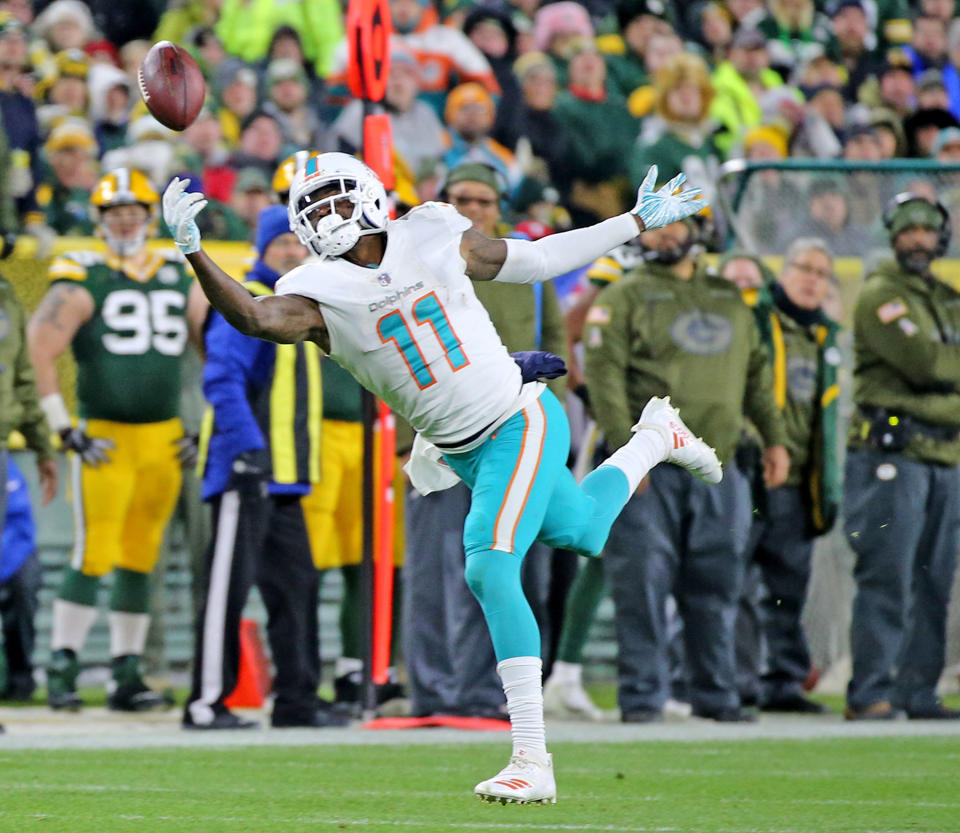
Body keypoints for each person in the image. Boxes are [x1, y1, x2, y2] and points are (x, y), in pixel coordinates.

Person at [162, 153, 718, 805]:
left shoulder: (430, 230)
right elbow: (256, 317)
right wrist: (195, 252)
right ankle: (656, 437)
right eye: (313, 207)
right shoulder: (315, 290)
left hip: (518, 417)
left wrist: (630, 221)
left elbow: (533, 262)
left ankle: (531, 755)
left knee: (488, 567)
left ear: (369, 195)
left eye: (338, 200)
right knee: (584, 530)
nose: (328, 216)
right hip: (461, 448)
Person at [583, 217, 789, 723]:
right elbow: (603, 376)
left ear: (698, 232)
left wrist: (776, 439)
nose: (661, 237)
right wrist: (622, 451)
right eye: (652, 228)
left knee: (718, 585)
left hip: (719, 464)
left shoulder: (729, 299)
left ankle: (716, 696)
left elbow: (757, 376)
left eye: (673, 227)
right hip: (650, 465)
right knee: (642, 584)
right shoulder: (622, 296)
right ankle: (642, 698)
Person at [28, 168, 206, 712]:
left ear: (149, 217)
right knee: (93, 550)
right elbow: (38, 351)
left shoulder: (181, 274)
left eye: (134, 210)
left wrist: (207, 424)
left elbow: (221, 350)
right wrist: (63, 426)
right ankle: (63, 665)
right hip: (105, 436)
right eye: (115, 212)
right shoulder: (84, 276)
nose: (126, 220)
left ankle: (127, 675)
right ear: (100, 220)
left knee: (140, 555)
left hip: (164, 439)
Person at [401, 162, 567, 723]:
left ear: (499, 210)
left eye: (482, 201)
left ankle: (488, 693)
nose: (470, 209)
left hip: (514, 441)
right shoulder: (413, 262)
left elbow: (558, 357)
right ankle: (432, 690)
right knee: (431, 574)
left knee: (504, 568)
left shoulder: (525, 273)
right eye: (458, 198)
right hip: (441, 439)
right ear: (442, 203)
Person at [186, 206, 349, 730]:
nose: (291, 251)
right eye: (280, 242)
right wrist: (247, 448)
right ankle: (206, 701)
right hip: (246, 470)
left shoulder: (301, 304)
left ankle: (298, 698)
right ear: (262, 248)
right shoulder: (245, 303)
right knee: (226, 592)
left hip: (286, 476)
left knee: (297, 588)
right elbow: (221, 380)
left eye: (298, 243)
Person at [844, 194, 960, 721]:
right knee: (888, 574)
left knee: (935, 579)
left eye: (927, 229)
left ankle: (917, 690)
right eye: (909, 229)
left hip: (942, 455)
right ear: (892, 236)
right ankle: (872, 690)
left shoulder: (943, 297)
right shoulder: (880, 294)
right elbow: (928, 363)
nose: (919, 238)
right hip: (892, 455)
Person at [737, 239, 842, 713]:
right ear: (783, 271)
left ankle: (782, 681)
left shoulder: (823, 336)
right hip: (748, 472)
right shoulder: (754, 320)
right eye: (803, 267)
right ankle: (722, 679)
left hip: (799, 480)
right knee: (728, 583)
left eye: (821, 272)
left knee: (786, 588)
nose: (811, 278)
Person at [0, 456, 41, 701]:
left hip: (11, 552)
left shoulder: (5, 465)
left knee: (24, 583)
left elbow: (17, 522)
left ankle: (20, 674)